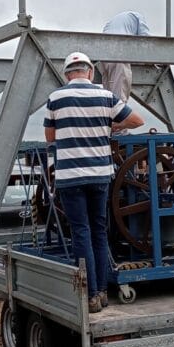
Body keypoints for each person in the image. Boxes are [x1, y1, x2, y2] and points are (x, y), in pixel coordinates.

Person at [45, 51, 144, 313]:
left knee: (81, 233)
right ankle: (101, 292)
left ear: (67, 74)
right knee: (100, 232)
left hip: (69, 177)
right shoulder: (105, 96)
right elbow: (137, 120)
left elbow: (50, 136)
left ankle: (89, 296)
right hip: (100, 174)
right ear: (90, 72)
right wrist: (105, 126)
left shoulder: (56, 98)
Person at [97, 11, 149, 103]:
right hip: (119, 50)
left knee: (108, 91)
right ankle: (119, 112)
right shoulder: (138, 17)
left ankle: (108, 112)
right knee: (120, 94)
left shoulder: (113, 22)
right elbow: (146, 42)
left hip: (102, 52)